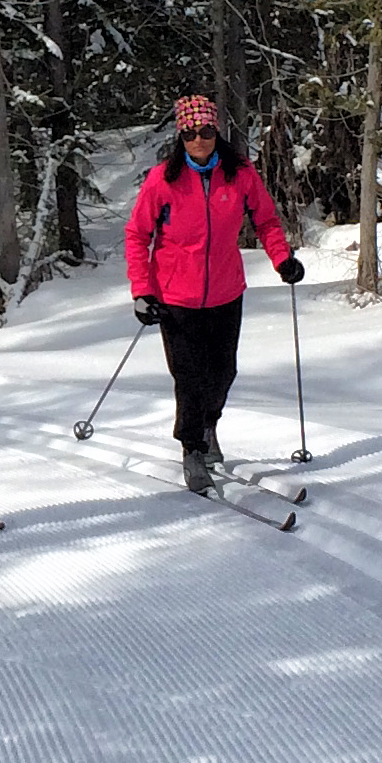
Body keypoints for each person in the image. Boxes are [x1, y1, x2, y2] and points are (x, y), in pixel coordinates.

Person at [123, 94, 303, 490]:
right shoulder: (163, 180)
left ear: (216, 131)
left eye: (205, 131)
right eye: (190, 133)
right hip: (176, 298)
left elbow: (267, 220)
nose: (199, 140)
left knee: (223, 373)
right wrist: (143, 290)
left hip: (225, 291)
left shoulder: (239, 174)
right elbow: (138, 235)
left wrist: (282, 259)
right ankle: (191, 449)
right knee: (188, 376)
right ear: (181, 136)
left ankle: (208, 428)